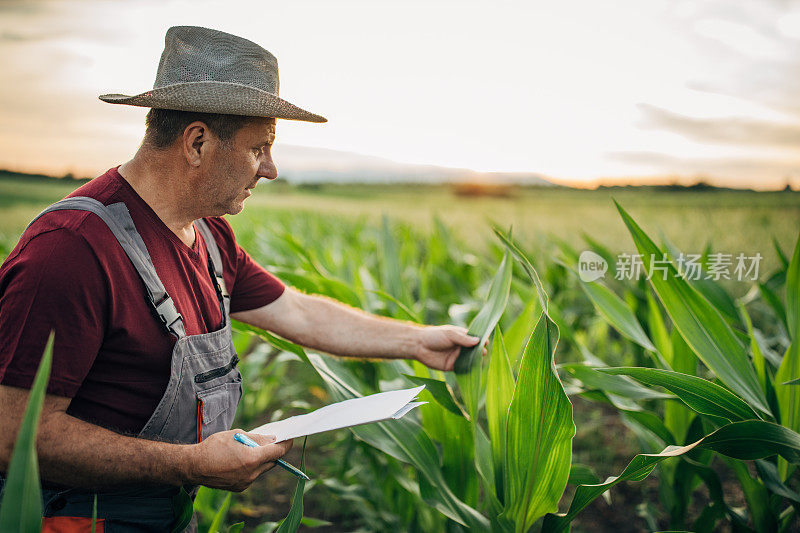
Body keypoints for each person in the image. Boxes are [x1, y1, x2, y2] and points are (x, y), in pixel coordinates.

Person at [0, 26, 482, 531]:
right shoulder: (70, 251)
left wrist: (420, 342)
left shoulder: (208, 235)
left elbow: (296, 311)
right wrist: (190, 464)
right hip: (73, 519)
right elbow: (15, 436)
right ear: (198, 142)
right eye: (261, 147)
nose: (270, 169)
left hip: (163, 512)